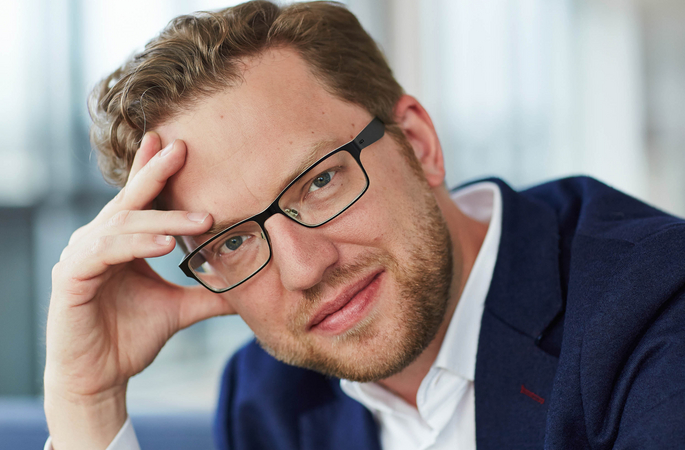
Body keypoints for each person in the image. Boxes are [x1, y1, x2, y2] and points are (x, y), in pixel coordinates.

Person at [43, 1, 685, 449]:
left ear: (419, 143)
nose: (304, 267)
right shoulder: (269, 398)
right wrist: (86, 405)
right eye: (233, 241)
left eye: (320, 182)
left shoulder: (652, 308)